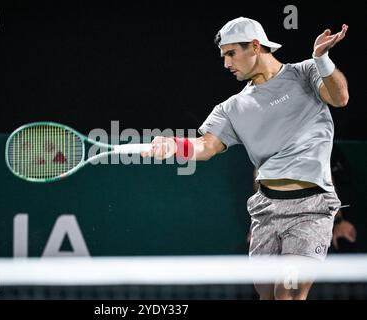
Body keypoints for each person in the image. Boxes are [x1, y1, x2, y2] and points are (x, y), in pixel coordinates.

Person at [141, 17, 349, 300]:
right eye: (224, 56)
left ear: (254, 46)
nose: (226, 63)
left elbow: (339, 98)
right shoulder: (231, 107)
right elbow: (206, 146)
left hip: (310, 208)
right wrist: (174, 145)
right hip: (266, 208)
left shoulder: (307, 72)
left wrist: (321, 58)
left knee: (287, 293)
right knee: (266, 295)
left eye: (231, 53)